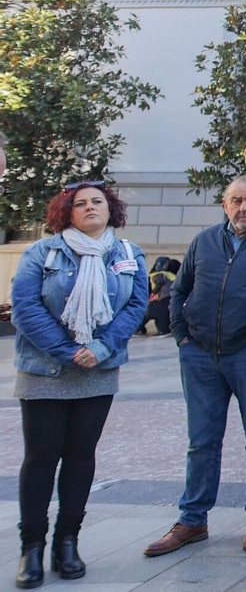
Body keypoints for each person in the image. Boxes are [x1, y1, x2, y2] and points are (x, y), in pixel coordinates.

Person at [143, 177, 246, 559]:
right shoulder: (204, 241)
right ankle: (192, 519)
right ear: (224, 204)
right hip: (199, 355)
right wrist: (182, 335)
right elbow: (180, 289)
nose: (243, 207)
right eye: (235, 200)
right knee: (202, 441)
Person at [11, 181, 147, 588]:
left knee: (80, 456)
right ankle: (31, 547)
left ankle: (66, 542)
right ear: (66, 213)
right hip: (45, 370)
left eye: (98, 202)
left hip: (98, 371)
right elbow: (25, 306)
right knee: (41, 458)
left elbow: (136, 306)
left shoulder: (128, 253)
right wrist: (68, 351)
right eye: (81, 203)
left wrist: (102, 347)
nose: (90, 208)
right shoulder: (42, 251)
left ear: (111, 210)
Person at [141, 257, 177, 336]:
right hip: (170, 297)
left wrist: (153, 292)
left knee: (150, 313)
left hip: (162, 298)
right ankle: (164, 329)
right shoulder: (170, 275)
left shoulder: (157, 275)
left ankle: (162, 330)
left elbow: (159, 283)